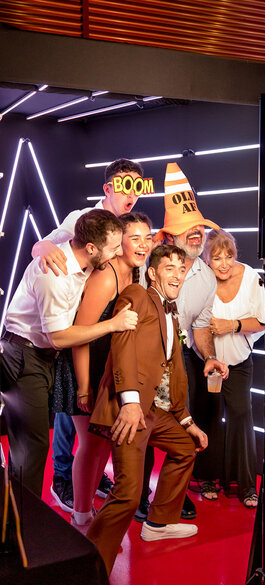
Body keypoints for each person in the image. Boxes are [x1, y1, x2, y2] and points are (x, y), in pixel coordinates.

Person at [86, 245, 208, 575]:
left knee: (186, 447)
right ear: (153, 273)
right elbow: (122, 344)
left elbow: (170, 371)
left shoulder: (171, 311)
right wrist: (128, 403)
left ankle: (159, 522)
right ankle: (91, 570)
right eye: (169, 268)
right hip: (133, 409)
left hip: (156, 410)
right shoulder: (136, 294)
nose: (177, 275)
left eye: (181, 270)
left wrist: (186, 420)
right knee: (128, 493)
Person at [31, 157, 144, 512]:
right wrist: (43, 247)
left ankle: (86, 483)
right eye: (125, 185)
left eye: (137, 186)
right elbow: (44, 246)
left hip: (96, 340)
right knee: (71, 422)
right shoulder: (82, 219)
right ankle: (64, 481)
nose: (132, 193)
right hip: (70, 334)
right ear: (109, 187)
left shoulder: (128, 231)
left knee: (91, 437)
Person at [0, 209, 138, 497]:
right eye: (113, 249)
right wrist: (112, 324)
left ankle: (16, 521)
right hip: (23, 356)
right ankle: (22, 532)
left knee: (30, 446)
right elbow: (60, 337)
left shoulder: (85, 258)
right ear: (91, 248)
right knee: (31, 447)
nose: (116, 254)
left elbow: (45, 243)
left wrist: (41, 244)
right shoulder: (55, 274)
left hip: (43, 356)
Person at [135, 162, 229, 521]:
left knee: (183, 426)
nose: (195, 234)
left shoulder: (206, 277)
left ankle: (172, 494)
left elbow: (201, 326)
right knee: (140, 426)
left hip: (179, 358)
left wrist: (207, 357)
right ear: (169, 237)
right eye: (186, 230)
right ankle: (139, 494)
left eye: (199, 229)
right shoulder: (147, 267)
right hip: (143, 359)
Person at [51, 212, 153, 529]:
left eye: (147, 238)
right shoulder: (106, 276)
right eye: (135, 238)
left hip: (106, 369)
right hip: (84, 368)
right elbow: (79, 336)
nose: (143, 245)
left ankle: (86, 512)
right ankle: (81, 517)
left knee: (101, 443)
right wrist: (83, 386)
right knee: (91, 443)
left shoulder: (135, 274)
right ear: (118, 242)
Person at [201, 228, 265, 507]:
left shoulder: (251, 277)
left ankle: (245, 485)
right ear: (207, 260)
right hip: (207, 364)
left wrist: (231, 325)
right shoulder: (201, 280)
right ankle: (208, 477)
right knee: (209, 418)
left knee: (241, 417)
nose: (224, 263)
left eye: (228, 256)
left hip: (240, 363)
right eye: (217, 257)